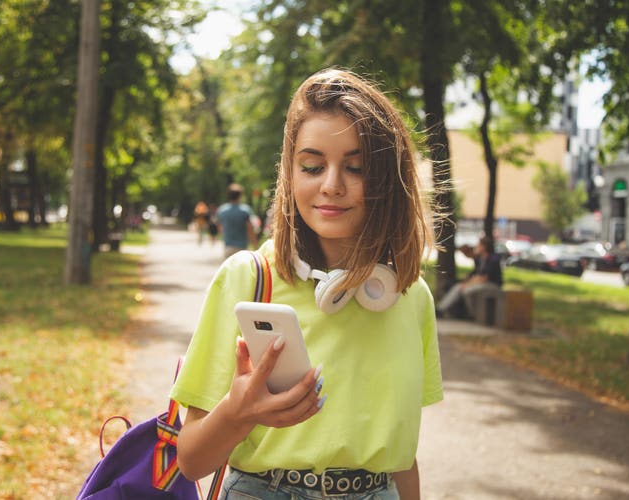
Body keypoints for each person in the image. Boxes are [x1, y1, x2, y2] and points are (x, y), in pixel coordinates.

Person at [171, 68, 443, 500]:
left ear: (388, 181)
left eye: (356, 168)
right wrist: (237, 414)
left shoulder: (411, 299)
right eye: (312, 166)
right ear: (290, 172)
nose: (331, 186)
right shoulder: (246, 278)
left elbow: (402, 459)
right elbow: (191, 460)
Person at [436, 236, 503, 319]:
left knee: (467, 291)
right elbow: (475, 274)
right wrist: (466, 282)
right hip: (482, 283)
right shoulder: (479, 259)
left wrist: (468, 284)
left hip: (493, 285)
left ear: (484, 247)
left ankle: (472, 314)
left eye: (479, 245)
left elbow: (485, 278)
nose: (476, 247)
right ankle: (440, 309)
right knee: (458, 287)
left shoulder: (493, 259)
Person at [216, 183, 258, 257]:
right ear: (240, 196)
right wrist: (255, 245)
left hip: (228, 247)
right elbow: (250, 230)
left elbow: (219, 228)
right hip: (242, 249)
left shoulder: (222, 210)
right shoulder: (245, 210)